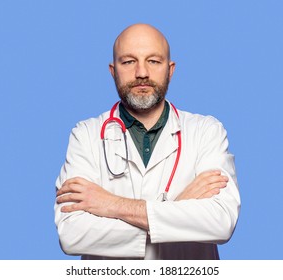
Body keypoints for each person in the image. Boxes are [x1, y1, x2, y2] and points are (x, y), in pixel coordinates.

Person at [54, 23, 240, 260]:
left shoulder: (206, 132)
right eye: (129, 61)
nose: (142, 72)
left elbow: (220, 221)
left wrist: (110, 204)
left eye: (153, 61)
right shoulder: (86, 135)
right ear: (113, 71)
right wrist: (179, 207)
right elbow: (72, 234)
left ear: (170, 70)